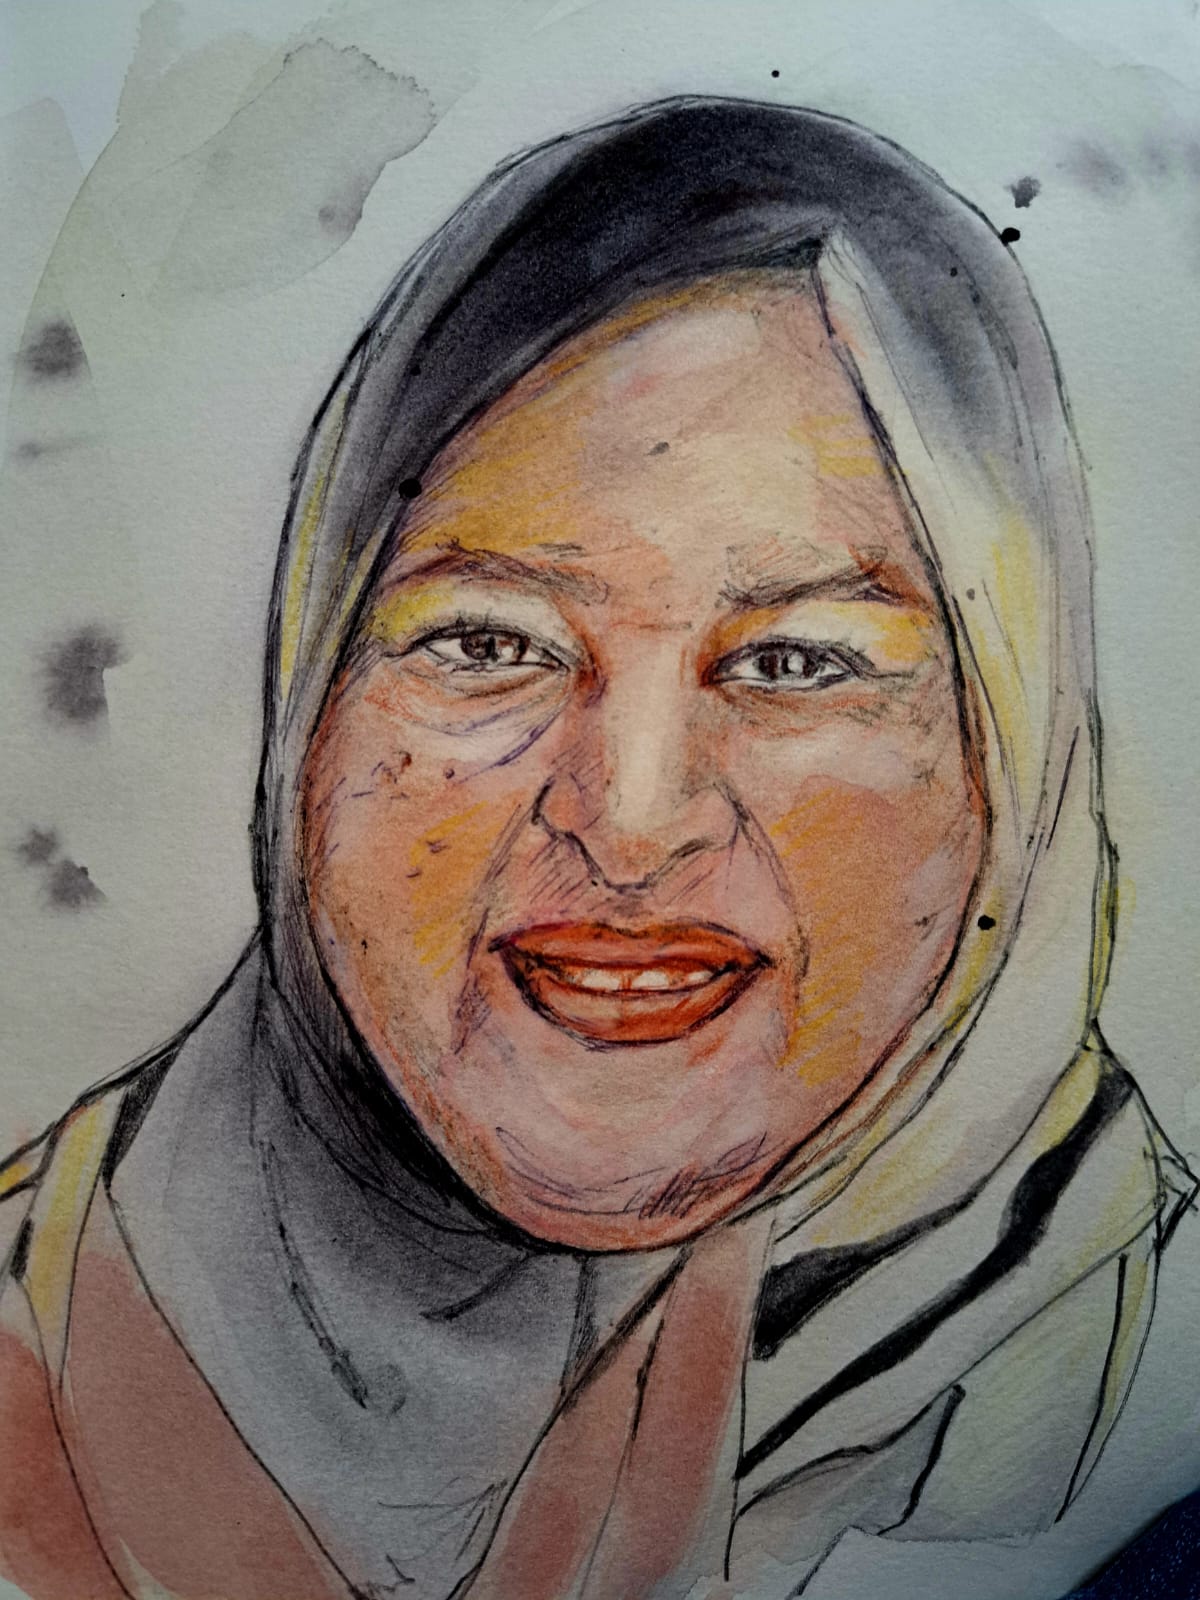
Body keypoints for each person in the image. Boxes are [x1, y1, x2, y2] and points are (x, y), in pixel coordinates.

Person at [0, 96, 1191, 1600]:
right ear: (313, 704)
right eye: (488, 642)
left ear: (1010, 749)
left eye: (798, 662)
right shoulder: (37, 1314)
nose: (629, 824)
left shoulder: (1149, 1415)